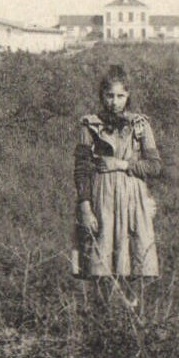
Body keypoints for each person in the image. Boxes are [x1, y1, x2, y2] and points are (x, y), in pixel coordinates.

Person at [72, 65, 162, 301]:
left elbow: (154, 166)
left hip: (133, 199)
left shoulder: (140, 125)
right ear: (102, 96)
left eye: (120, 96)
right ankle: (105, 316)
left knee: (135, 260)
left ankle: (132, 314)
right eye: (110, 96)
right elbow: (81, 168)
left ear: (128, 96)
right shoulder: (90, 125)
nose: (115, 102)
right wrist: (84, 205)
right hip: (103, 199)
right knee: (101, 261)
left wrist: (122, 165)